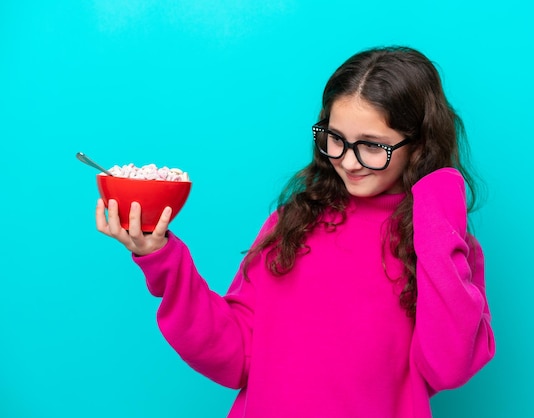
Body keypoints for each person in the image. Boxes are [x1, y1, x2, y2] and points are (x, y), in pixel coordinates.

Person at [96, 45, 495, 418]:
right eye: (335, 139)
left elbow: (447, 368)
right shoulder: (293, 223)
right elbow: (234, 353)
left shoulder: (444, 248)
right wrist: (161, 257)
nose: (348, 162)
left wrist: (437, 198)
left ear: (419, 146)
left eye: (373, 146)